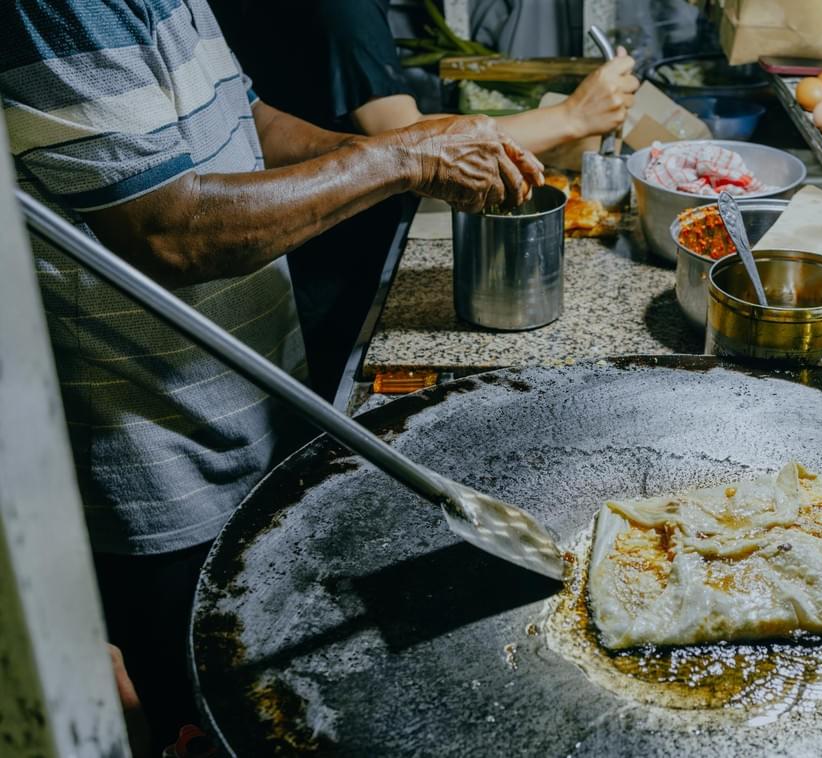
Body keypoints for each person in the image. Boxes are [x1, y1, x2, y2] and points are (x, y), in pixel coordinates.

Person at [1, 0, 542, 749]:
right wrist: (399, 159)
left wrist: (403, 157)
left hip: (258, 406)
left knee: (295, 689)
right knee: (229, 718)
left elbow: (249, 122)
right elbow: (170, 229)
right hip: (167, 466)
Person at [210, 0, 639, 396]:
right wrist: (574, 115)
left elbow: (263, 118)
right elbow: (393, 132)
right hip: (315, 251)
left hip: (321, 230)